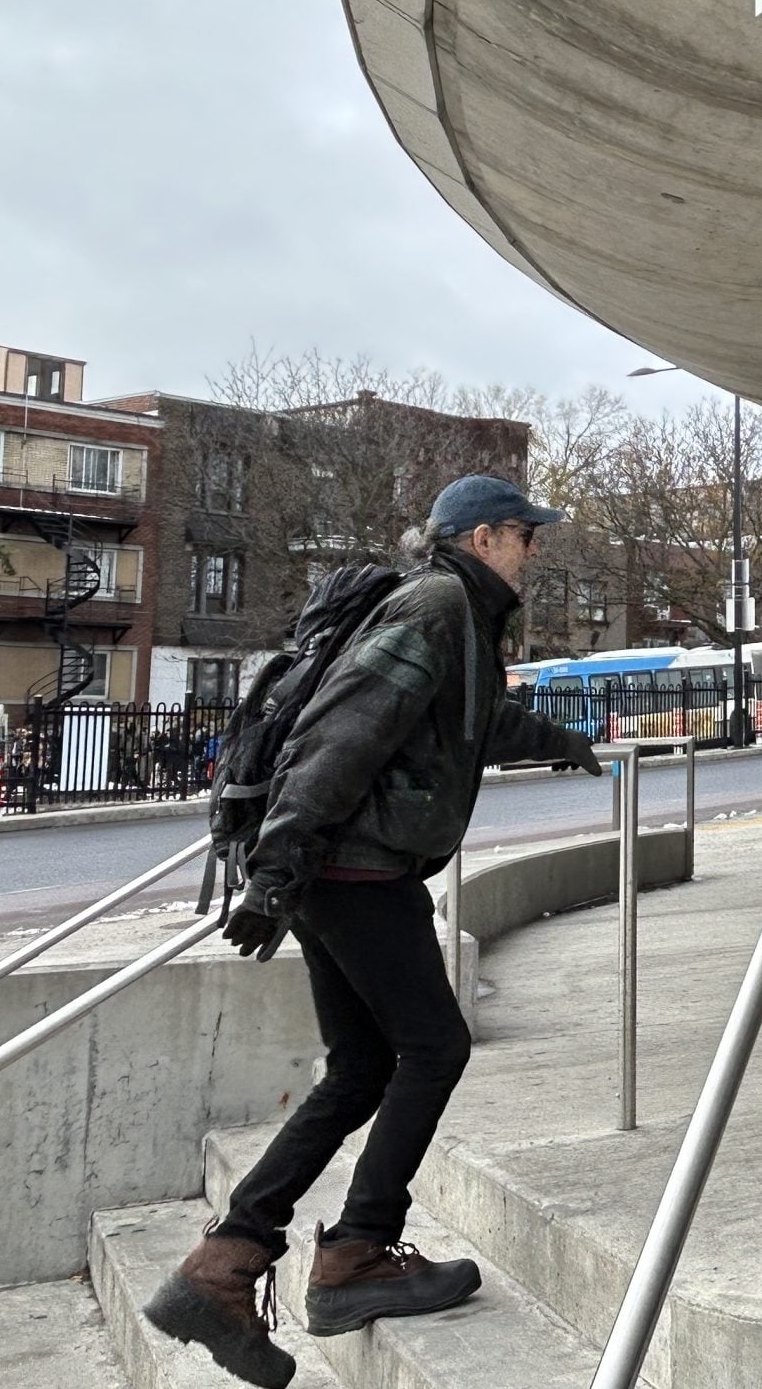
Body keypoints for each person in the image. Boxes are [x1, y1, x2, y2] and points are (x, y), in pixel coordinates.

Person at [147, 475, 601, 1387]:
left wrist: (558, 736)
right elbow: (343, 734)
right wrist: (275, 871)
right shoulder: (437, 606)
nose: (534, 549)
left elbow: (457, 726)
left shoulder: (456, 615)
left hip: (341, 869)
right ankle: (355, 1254)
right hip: (353, 869)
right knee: (433, 1048)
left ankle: (224, 1264)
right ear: (480, 539)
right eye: (523, 533)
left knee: (360, 1067)